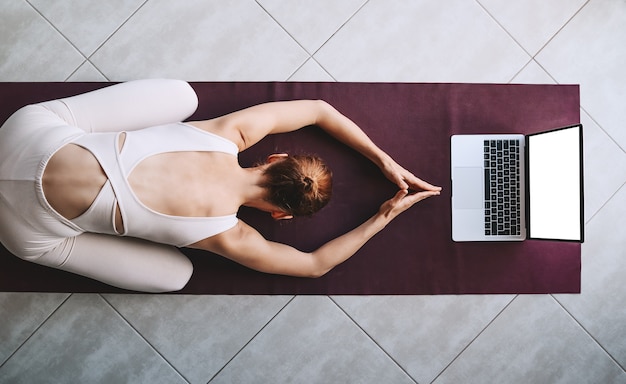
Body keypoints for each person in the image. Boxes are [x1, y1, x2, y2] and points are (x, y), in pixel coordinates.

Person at [0, 79, 441, 292]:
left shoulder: (230, 132)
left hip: (24, 133)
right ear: (279, 214)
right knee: (177, 277)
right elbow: (313, 266)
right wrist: (383, 216)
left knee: (184, 98)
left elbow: (320, 110)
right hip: (22, 230)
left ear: (275, 158)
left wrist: (384, 160)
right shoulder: (227, 237)